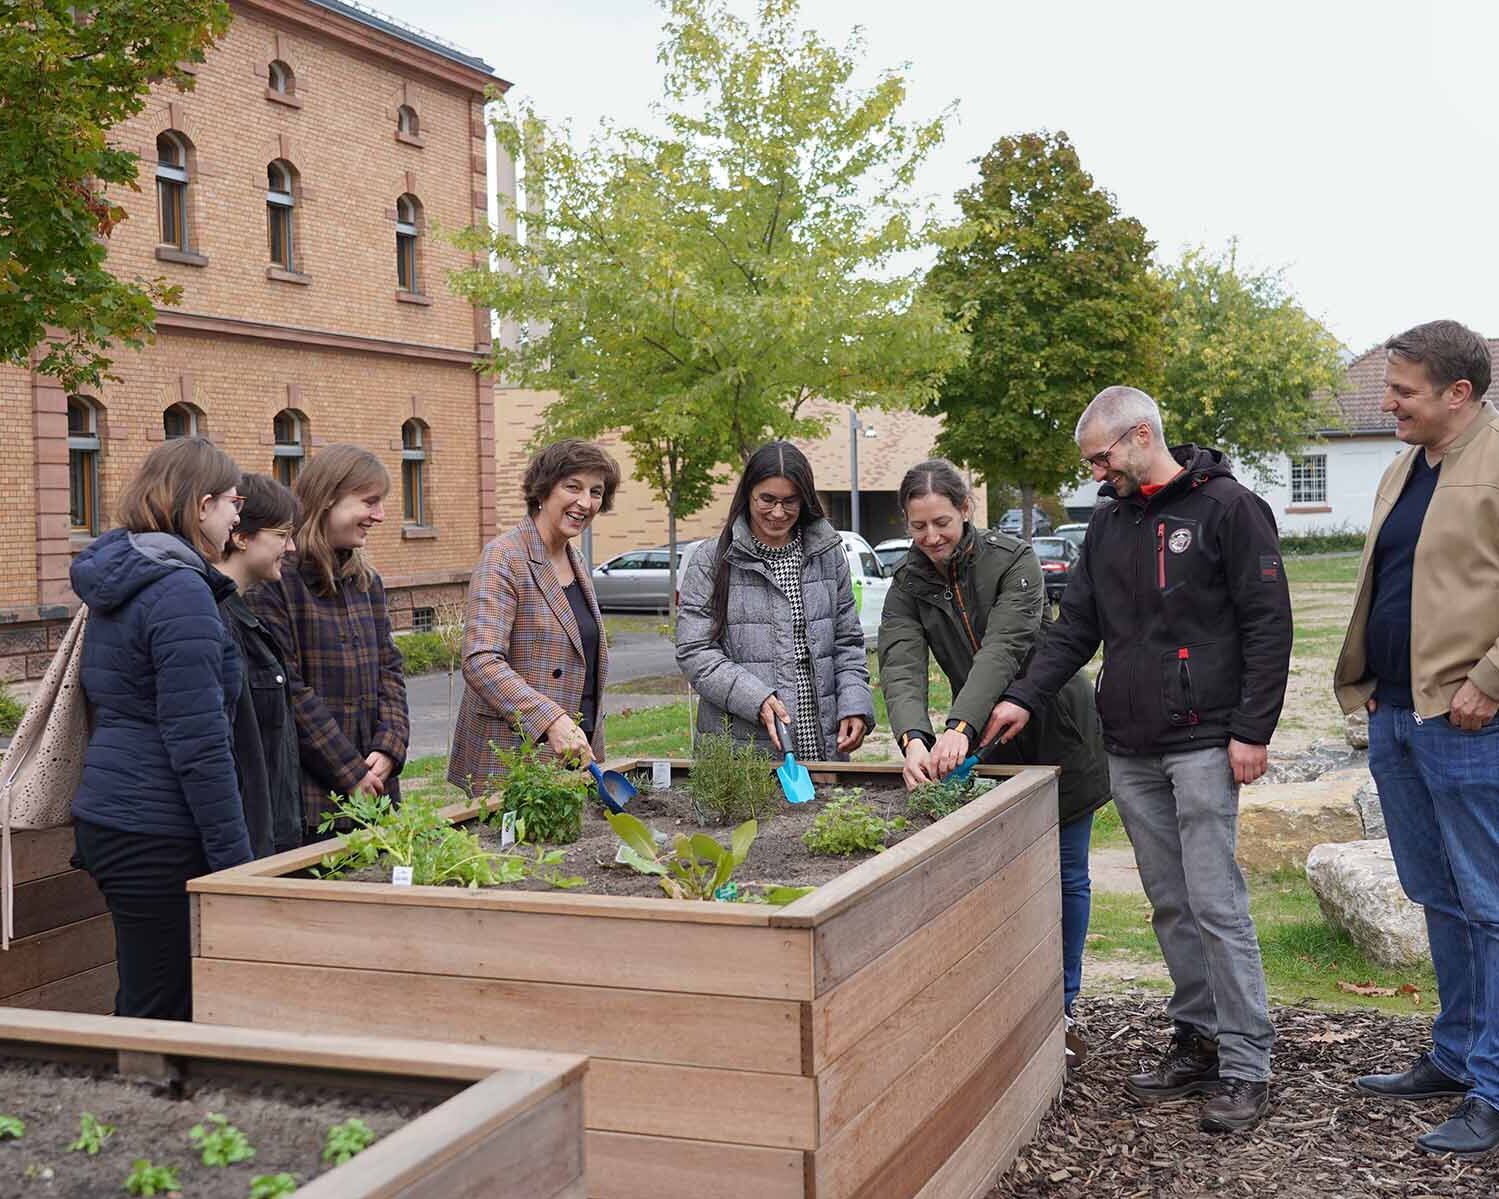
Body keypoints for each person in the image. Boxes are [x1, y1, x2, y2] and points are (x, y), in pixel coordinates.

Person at [985, 386, 1292, 1133]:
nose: (1095, 473)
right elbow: (1074, 628)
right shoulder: (1108, 525)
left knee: (1215, 902)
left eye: (1101, 456)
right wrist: (1023, 695)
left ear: (1141, 435)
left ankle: (1247, 1063)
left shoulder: (1227, 509)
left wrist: (1252, 730)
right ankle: (1197, 1036)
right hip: (1128, 744)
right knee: (1168, 901)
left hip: (1205, 740)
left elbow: (1267, 622)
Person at [877, 459, 1111, 1054]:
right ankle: (1006, 996)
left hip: (1056, 727)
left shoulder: (1014, 560)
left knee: (1066, 873)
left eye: (942, 522)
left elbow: (1004, 650)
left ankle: (1061, 1008)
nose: (931, 538)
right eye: (918, 526)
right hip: (982, 739)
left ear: (966, 511)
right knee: (995, 873)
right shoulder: (907, 583)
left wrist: (959, 723)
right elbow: (900, 663)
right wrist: (911, 737)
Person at [1334, 321, 1499, 1157]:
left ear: (1458, 394)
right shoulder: (1404, 468)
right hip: (1394, 713)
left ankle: (1493, 1087)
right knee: (1436, 894)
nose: (1386, 401)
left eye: (1401, 390)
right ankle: (1455, 1051)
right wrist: (1366, 688)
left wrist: (1488, 680)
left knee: (1490, 904)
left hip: (1471, 718)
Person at [69, 438, 252, 1019]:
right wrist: (236, 863)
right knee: (162, 1008)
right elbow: (198, 741)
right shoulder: (179, 592)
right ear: (200, 506)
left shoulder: (128, 575)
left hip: (118, 817)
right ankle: (130, 1110)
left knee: (151, 991)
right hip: (155, 828)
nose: (237, 516)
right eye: (232, 501)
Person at [676, 441, 873, 760]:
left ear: (805, 499)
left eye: (789, 501)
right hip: (743, 748)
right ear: (748, 495)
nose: (778, 513)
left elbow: (847, 641)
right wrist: (754, 697)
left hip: (822, 740)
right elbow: (694, 650)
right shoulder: (710, 560)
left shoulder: (827, 555)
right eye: (767, 499)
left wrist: (854, 703)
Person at [249, 445, 409, 837]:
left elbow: (390, 670)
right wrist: (350, 772)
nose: (379, 515)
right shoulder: (275, 581)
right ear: (327, 500)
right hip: (311, 803)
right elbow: (288, 691)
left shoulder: (365, 582)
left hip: (376, 792)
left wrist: (389, 747)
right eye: (369, 502)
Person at [448, 439, 620, 793]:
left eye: (596, 492)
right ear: (543, 490)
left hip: (571, 758)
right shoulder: (505, 557)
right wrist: (550, 720)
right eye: (572, 487)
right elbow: (481, 660)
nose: (585, 503)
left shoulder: (577, 562)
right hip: (512, 759)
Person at [216, 474, 302, 857]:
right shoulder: (219, 621)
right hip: (243, 845)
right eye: (283, 535)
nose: (292, 546)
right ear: (241, 536)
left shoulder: (244, 614)